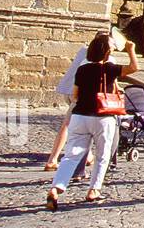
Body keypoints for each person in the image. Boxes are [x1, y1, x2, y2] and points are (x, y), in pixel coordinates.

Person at [46, 33, 138, 209]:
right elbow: (134, 67)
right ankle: (93, 190)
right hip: (103, 117)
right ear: (106, 52)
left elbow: (75, 95)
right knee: (102, 156)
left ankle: (56, 188)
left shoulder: (82, 70)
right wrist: (131, 50)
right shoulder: (110, 68)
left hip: (80, 116)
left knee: (71, 155)